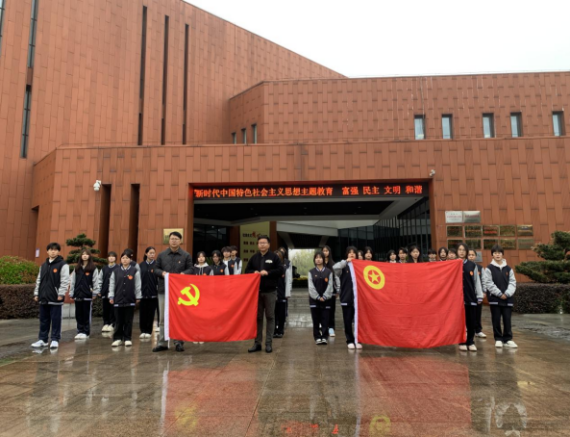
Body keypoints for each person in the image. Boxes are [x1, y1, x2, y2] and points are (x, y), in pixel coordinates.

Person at [153, 231, 194, 353]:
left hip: (180, 292)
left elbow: (191, 269)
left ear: (180, 241)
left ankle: (178, 342)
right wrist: (162, 273)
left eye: (176, 239)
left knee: (179, 317)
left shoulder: (186, 255)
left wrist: (183, 274)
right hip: (163, 290)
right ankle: (162, 343)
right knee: (162, 318)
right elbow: (155, 269)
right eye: (172, 238)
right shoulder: (162, 255)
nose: (174, 241)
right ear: (169, 240)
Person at [245, 235, 283, 353]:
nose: (262, 245)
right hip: (256, 293)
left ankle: (268, 343)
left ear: (269, 245)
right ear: (258, 245)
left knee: (270, 317)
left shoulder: (274, 257)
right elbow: (247, 271)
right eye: (260, 243)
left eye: (264, 243)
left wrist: (268, 273)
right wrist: (254, 272)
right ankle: (257, 343)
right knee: (258, 317)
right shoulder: (254, 258)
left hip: (270, 292)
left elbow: (280, 270)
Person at [31, 243, 70, 349]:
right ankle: (42, 339)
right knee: (44, 320)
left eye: (55, 250)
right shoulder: (43, 265)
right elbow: (39, 280)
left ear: (58, 252)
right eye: (51, 249)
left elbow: (65, 280)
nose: (53, 251)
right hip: (43, 297)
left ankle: (55, 339)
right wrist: (36, 293)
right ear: (47, 251)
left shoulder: (63, 265)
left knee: (56, 319)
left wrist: (61, 293)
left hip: (55, 297)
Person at [482, 245, 518, 349]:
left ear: (502, 254)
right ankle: (498, 339)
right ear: (492, 255)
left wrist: (507, 293)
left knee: (507, 319)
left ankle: (508, 339)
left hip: (507, 299)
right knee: (496, 319)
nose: (497, 255)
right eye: (495, 253)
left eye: (499, 253)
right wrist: (499, 294)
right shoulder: (489, 268)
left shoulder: (508, 269)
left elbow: (512, 282)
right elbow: (488, 283)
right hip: (495, 299)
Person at [109, 251, 142, 347]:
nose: (125, 260)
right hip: (118, 299)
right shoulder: (115, 271)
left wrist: (138, 296)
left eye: (127, 258)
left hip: (130, 299)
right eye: (123, 258)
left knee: (128, 320)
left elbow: (138, 285)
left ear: (130, 260)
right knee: (118, 321)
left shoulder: (134, 271)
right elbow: (112, 284)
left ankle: (127, 338)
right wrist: (111, 296)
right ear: (120, 259)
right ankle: (117, 338)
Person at [333, 246, 362, 350]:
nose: (352, 254)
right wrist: (345, 261)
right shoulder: (343, 266)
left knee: (358, 321)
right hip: (346, 297)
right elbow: (334, 268)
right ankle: (349, 340)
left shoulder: (360, 267)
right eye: (350, 252)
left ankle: (358, 340)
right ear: (347, 254)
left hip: (358, 299)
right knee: (347, 320)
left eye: (354, 252)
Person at [457, 243, 483, 352]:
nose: (461, 252)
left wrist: (479, 295)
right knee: (460, 322)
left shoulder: (472, 265)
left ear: (466, 252)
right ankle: (462, 342)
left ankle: (470, 341)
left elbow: (476, 281)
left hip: (470, 296)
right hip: (457, 299)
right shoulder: (453, 264)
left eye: (463, 250)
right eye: (460, 249)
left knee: (471, 321)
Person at [69, 248, 100, 340]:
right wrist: (71, 292)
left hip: (87, 295)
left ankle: (86, 332)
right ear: (81, 256)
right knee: (78, 314)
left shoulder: (93, 268)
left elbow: (95, 281)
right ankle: (80, 331)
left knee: (86, 314)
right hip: (78, 294)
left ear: (89, 256)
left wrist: (94, 292)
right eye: (83, 254)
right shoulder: (77, 268)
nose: (85, 256)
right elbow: (73, 281)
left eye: (86, 254)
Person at [309, 251, 334, 345]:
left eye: (320, 258)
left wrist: (325, 296)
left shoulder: (328, 272)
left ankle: (324, 336)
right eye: (316, 258)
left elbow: (330, 285)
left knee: (325, 319)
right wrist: (317, 297)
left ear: (323, 259)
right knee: (316, 320)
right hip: (314, 301)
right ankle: (317, 337)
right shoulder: (311, 272)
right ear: (314, 260)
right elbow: (311, 287)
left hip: (326, 300)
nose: (318, 259)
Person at [139, 247, 159, 339]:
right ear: (146, 253)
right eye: (150, 253)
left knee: (151, 314)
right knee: (142, 313)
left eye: (153, 253)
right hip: (142, 293)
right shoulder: (141, 265)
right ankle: (143, 330)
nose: (152, 255)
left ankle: (148, 331)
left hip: (153, 294)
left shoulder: (157, 265)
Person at [468, 248, 487, 339]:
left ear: (475, 256)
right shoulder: (464, 266)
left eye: (473, 255)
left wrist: (484, 291)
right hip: (468, 294)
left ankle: (478, 330)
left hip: (478, 294)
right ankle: (468, 329)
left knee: (478, 313)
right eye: (469, 255)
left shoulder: (479, 267)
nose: (471, 256)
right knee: (468, 313)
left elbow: (484, 280)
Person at [98, 252, 119, 333]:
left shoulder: (118, 268)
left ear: (115, 258)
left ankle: (112, 323)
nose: (111, 258)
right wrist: (99, 290)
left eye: (113, 256)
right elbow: (100, 280)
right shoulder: (104, 269)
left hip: (114, 293)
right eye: (109, 256)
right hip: (105, 291)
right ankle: (106, 323)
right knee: (105, 308)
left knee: (112, 309)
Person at [273, 250, 292, 338]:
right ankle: (274, 330)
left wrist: (287, 293)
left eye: (278, 256)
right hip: (272, 293)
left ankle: (280, 330)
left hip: (282, 293)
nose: (277, 257)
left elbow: (288, 281)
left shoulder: (284, 268)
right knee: (273, 314)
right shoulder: (270, 268)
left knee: (281, 313)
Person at [322, 245, 339, 337]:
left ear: (329, 252)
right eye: (323, 251)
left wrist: (338, 290)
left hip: (331, 291)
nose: (325, 252)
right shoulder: (319, 263)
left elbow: (336, 278)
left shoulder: (333, 264)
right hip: (321, 291)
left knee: (331, 310)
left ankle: (331, 327)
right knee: (322, 309)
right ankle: (324, 326)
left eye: (326, 251)